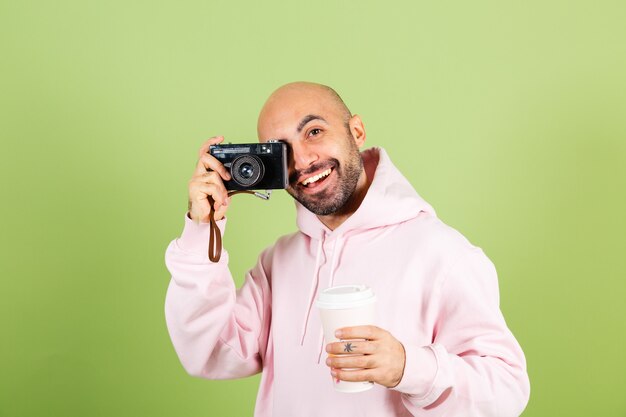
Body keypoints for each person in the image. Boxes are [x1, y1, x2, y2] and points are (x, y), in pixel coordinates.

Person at [164, 82, 530, 416]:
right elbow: (209, 353)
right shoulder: (279, 260)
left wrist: (408, 367)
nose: (303, 161)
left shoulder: (443, 254)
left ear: (356, 131)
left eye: (315, 132)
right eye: (282, 150)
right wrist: (202, 230)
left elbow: (506, 391)